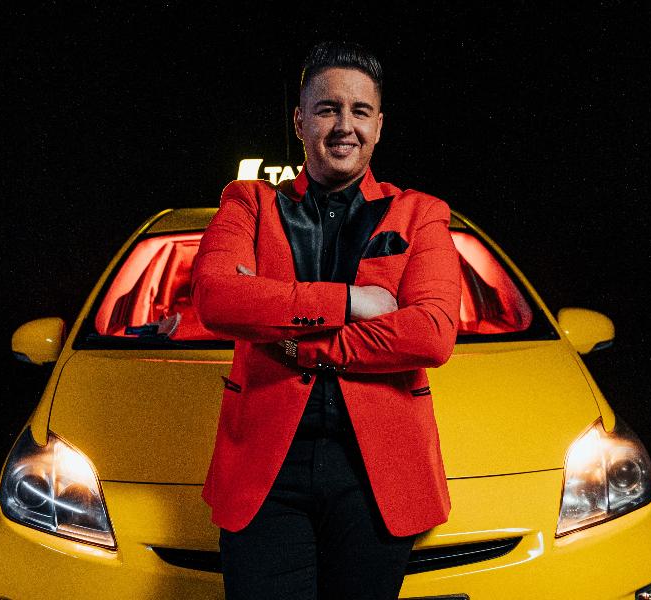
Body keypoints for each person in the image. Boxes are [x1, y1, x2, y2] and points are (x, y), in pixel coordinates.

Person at [190, 40, 462, 600]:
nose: (344, 126)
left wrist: (298, 342)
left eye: (360, 111)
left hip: (377, 476)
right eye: (327, 109)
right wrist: (350, 302)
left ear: (379, 125)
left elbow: (432, 333)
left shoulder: (420, 213)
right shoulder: (248, 204)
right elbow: (217, 299)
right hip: (264, 474)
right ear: (299, 121)